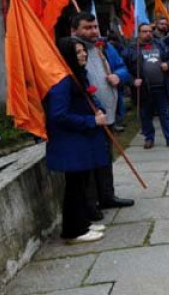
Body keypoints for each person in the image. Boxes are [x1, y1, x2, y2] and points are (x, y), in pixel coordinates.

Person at [45, 37, 109, 244]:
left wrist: (98, 110)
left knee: (82, 184)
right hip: (70, 142)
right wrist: (91, 120)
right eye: (78, 52)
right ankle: (74, 230)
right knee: (74, 187)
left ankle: (83, 221)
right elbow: (58, 115)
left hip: (80, 140)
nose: (83, 55)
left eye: (83, 51)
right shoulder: (62, 82)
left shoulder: (76, 76)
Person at [71, 13, 135, 213]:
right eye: (87, 28)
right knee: (89, 162)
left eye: (95, 27)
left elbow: (124, 68)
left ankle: (107, 196)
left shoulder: (104, 47)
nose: (93, 31)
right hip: (89, 116)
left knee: (105, 158)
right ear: (75, 31)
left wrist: (118, 76)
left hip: (108, 114)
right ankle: (91, 205)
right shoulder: (71, 50)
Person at [124, 23, 169, 149]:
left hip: (161, 87)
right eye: (144, 31)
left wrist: (168, 64)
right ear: (139, 33)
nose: (148, 33)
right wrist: (132, 81)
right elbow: (124, 69)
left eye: (150, 31)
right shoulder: (132, 48)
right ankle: (149, 138)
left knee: (165, 114)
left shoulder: (160, 44)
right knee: (146, 115)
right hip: (144, 89)